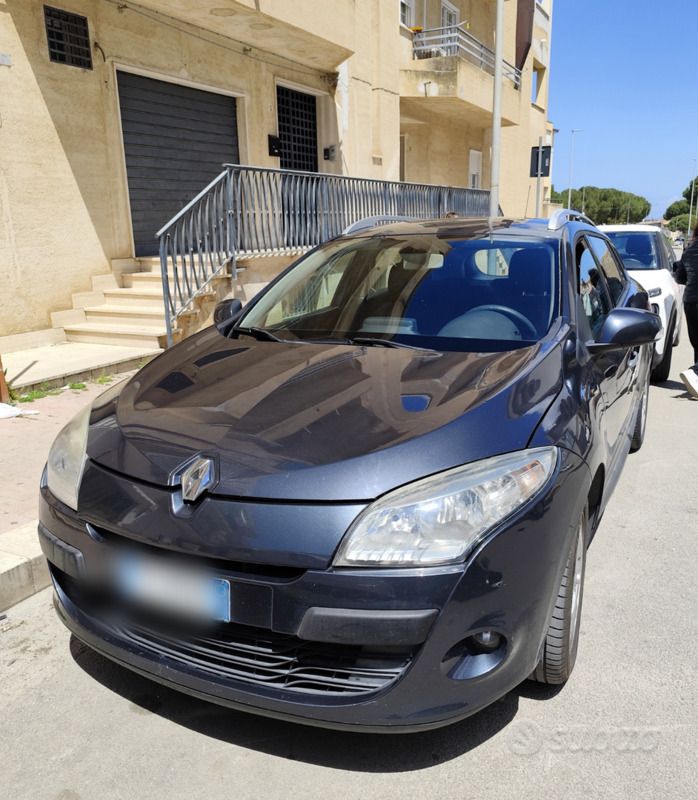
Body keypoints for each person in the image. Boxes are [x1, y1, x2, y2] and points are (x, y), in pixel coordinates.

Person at [676, 222, 698, 398]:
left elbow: (680, 277)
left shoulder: (688, 251)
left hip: (690, 302)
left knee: (697, 343)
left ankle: (696, 383)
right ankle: (694, 372)